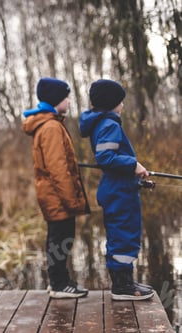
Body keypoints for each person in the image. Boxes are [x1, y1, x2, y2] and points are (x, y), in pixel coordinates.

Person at [79, 79, 154, 301]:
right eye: (121, 101)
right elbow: (105, 157)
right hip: (118, 192)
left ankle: (125, 282)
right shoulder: (109, 124)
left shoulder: (104, 123)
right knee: (123, 237)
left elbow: (111, 162)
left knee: (121, 236)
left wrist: (138, 178)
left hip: (119, 188)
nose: (123, 105)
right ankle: (122, 287)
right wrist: (133, 164)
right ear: (112, 103)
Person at [22, 77, 90, 299]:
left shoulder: (50, 123)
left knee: (59, 238)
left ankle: (59, 282)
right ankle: (60, 284)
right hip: (57, 196)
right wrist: (72, 200)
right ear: (56, 100)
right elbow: (57, 168)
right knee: (61, 238)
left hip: (53, 194)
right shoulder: (51, 127)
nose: (69, 101)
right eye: (66, 97)